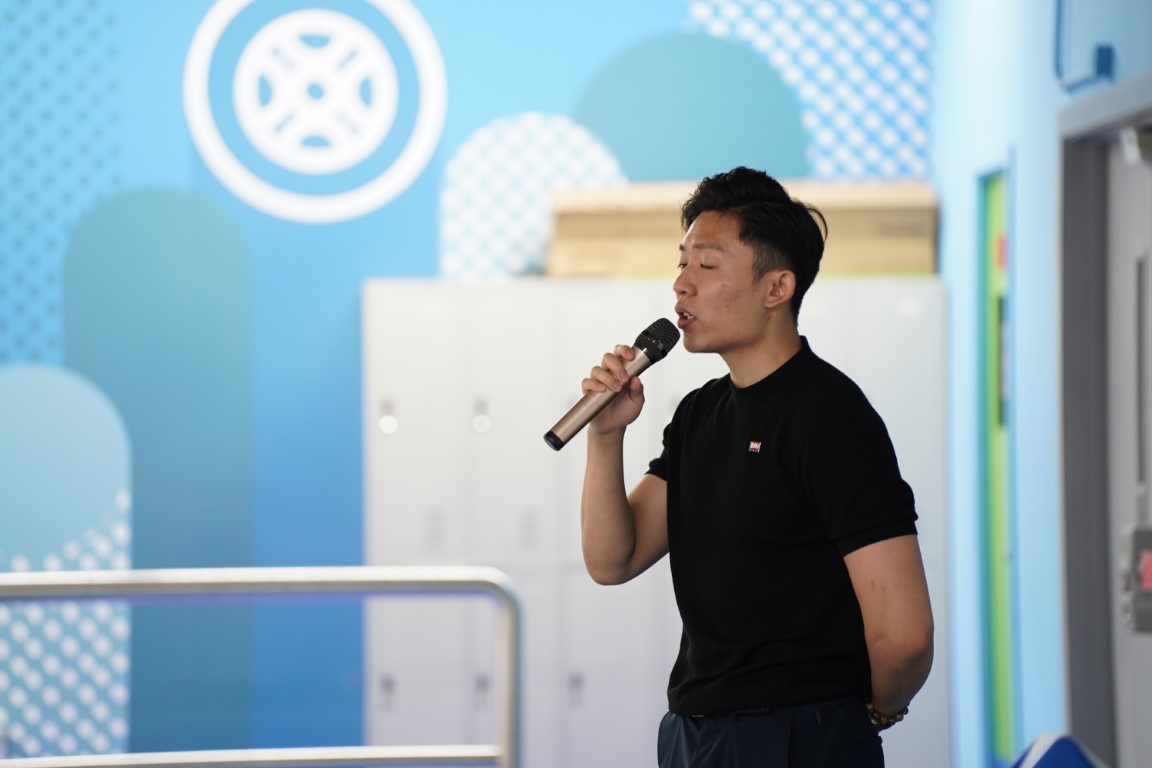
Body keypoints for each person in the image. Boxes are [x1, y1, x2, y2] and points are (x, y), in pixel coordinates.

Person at [578, 167, 934, 766]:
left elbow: (905, 636)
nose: (681, 285)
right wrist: (605, 437)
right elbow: (614, 559)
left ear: (777, 288)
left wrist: (870, 714)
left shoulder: (829, 416)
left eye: (706, 265)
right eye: (682, 263)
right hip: (694, 732)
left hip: (794, 733)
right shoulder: (700, 413)